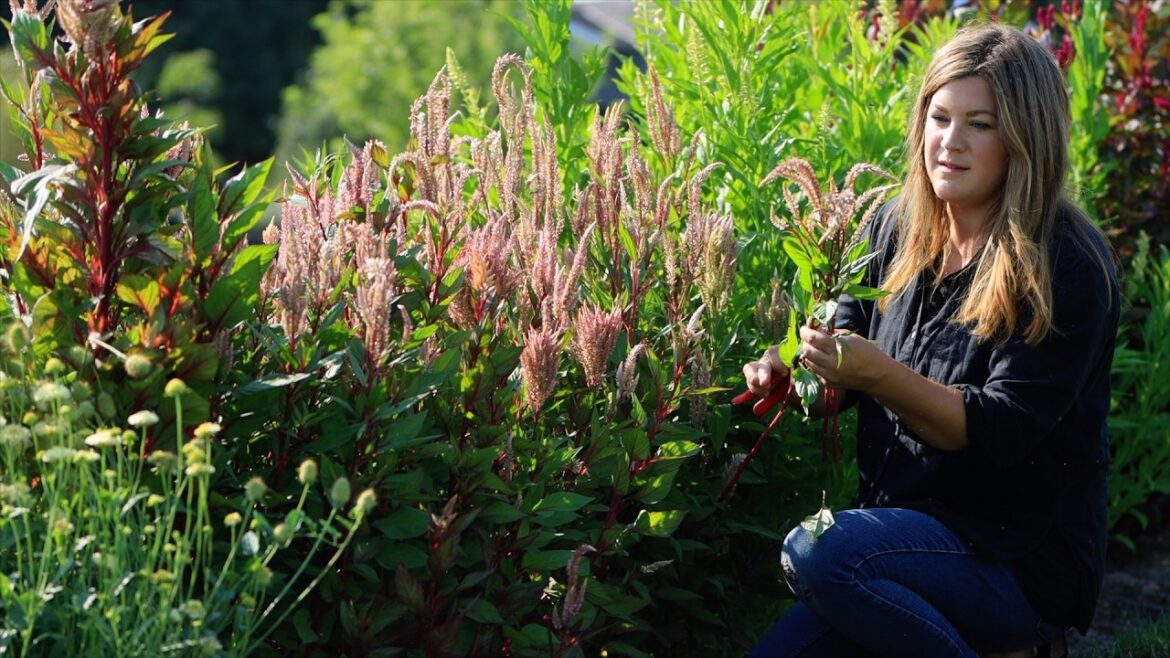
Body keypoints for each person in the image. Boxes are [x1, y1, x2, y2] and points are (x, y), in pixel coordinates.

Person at [742, 23, 1118, 658]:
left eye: (980, 124)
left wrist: (877, 375)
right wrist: (800, 372)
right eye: (939, 117)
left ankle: (1025, 645)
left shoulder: (1066, 264)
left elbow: (997, 430)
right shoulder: (894, 226)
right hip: (892, 543)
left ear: (1026, 138)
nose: (949, 142)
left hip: (1012, 559)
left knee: (819, 548)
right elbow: (847, 344)